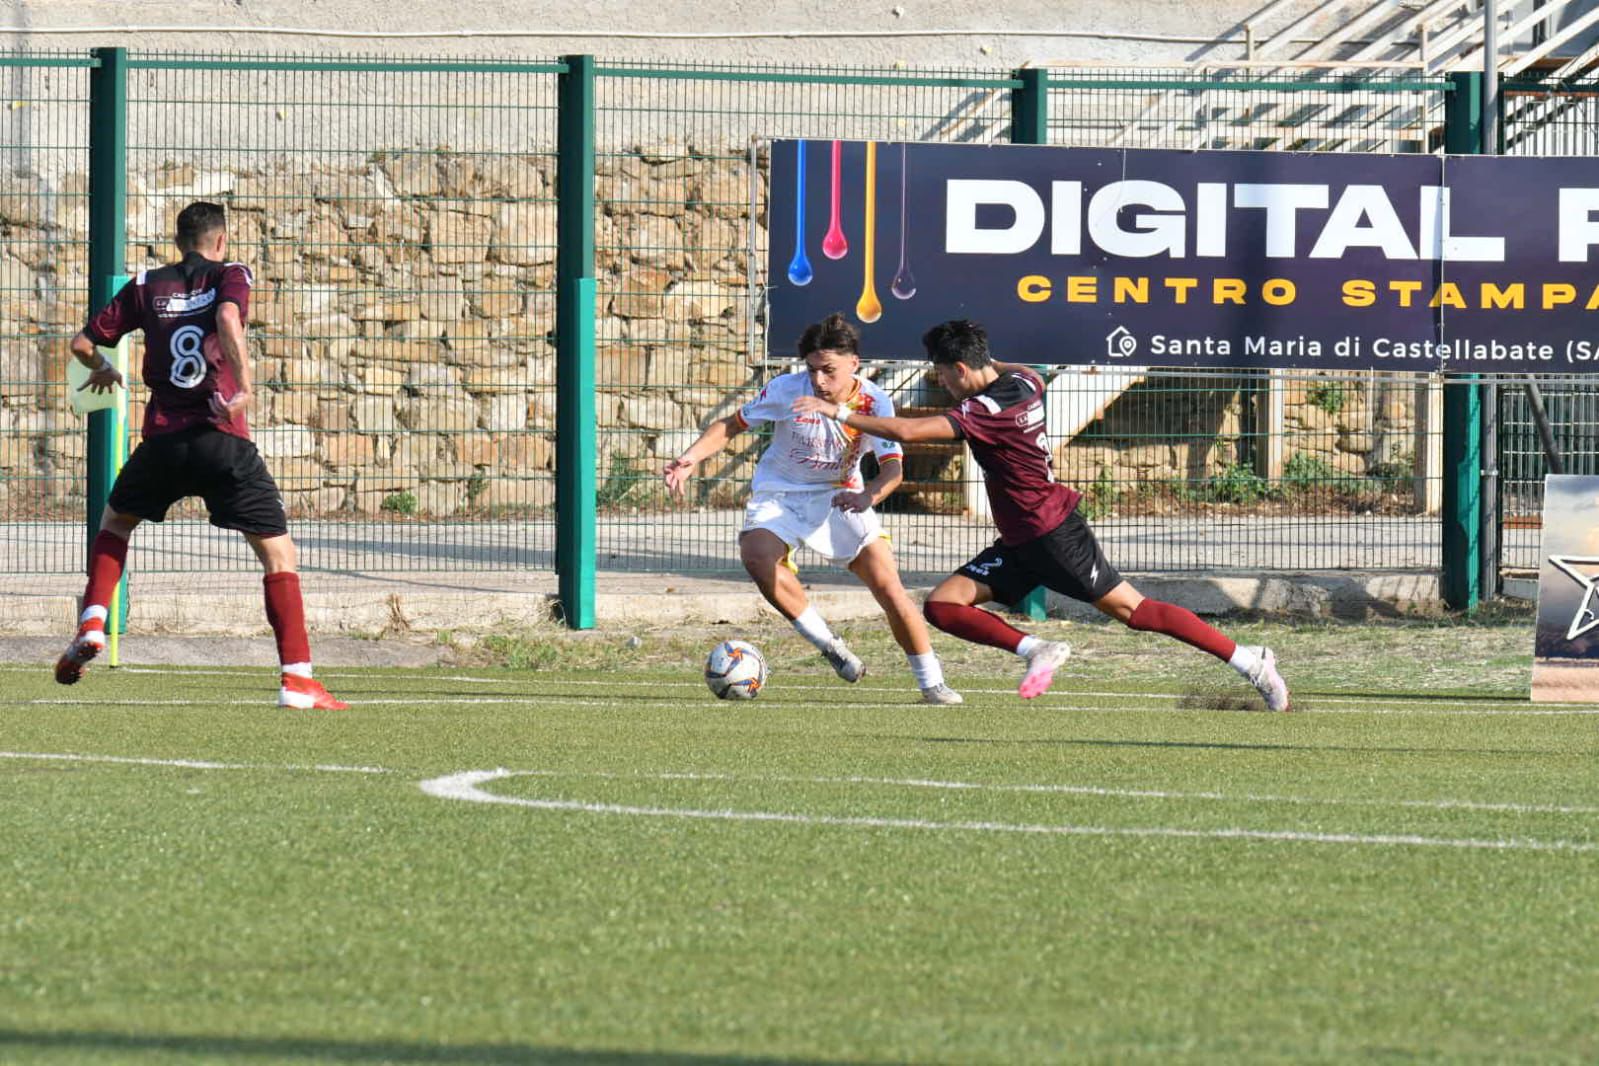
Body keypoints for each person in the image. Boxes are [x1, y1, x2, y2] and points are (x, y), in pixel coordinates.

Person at [792, 319, 1290, 710]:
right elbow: (1000, 367)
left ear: (960, 369)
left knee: (1136, 613)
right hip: (1020, 541)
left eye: (941, 373)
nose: (940, 382)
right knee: (943, 606)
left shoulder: (984, 411)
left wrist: (837, 411)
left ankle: (1252, 663)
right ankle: (1037, 649)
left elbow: (906, 432)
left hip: (1053, 534)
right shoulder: (1025, 380)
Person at [58, 201, 348, 710]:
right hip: (222, 438)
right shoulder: (231, 273)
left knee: (116, 523)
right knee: (279, 555)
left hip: (164, 443)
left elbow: (82, 344)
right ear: (220, 240)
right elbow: (228, 317)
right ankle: (297, 680)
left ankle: (94, 620)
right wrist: (245, 388)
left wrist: (104, 369)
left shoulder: (147, 284)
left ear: (178, 242)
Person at [663, 312, 962, 705]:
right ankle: (830, 645)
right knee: (757, 556)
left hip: (842, 496)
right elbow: (732, 425)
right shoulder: (787, 390)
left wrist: (868, 497)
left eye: (829, 371)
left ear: (854, 363)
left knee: (890, 588)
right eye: (812, 370)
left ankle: (932, 684)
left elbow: (893, 470)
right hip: (780, 494)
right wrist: (691, 458)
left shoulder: (874, 401)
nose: (819, 380)